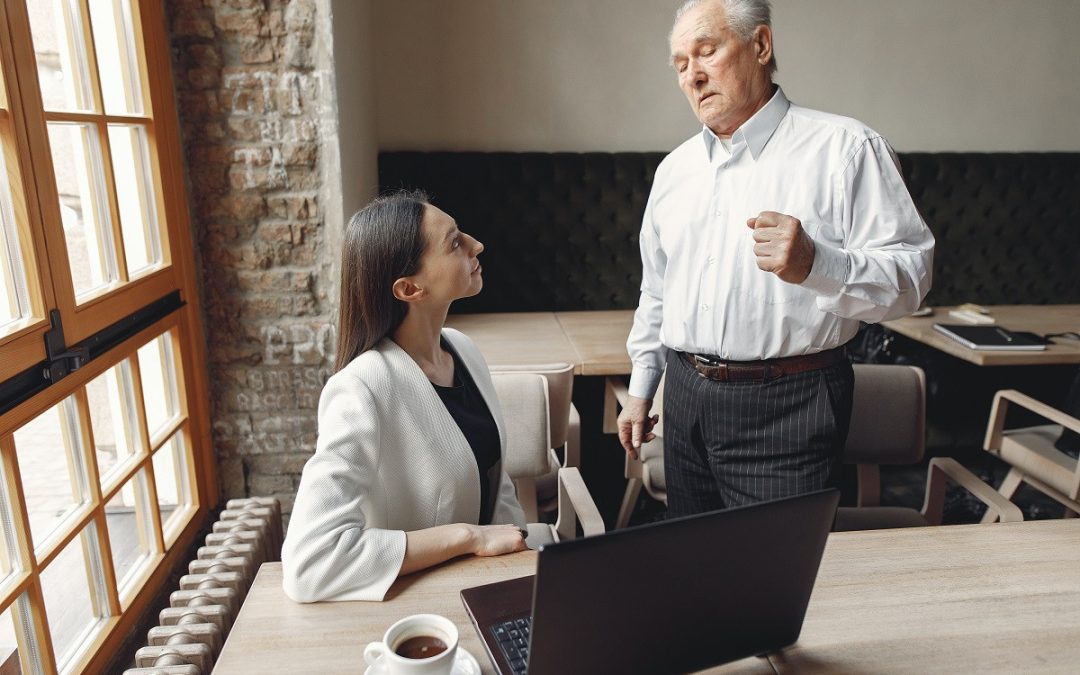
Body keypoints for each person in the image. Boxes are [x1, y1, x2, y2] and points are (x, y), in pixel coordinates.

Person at [618, 0, 935, 517]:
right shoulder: (674, 170)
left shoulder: (848, 149)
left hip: (790, 404)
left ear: (761, 45)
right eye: (680, 64)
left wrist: (816, 264)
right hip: (683, 396)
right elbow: (657, 291)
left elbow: (912, 280)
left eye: (707, 52)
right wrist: (641, 389)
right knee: (692, 559)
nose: (693, 76)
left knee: (777, 564)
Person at [282, 191, 527, 602]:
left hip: (489, 587)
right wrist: (467, 537)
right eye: (454, 242)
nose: (477, 245)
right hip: (421, 608)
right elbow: (310, 563)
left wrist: (521, 563)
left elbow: (496, 485)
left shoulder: (464, 351)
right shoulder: (361, 389)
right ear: (410, 288)